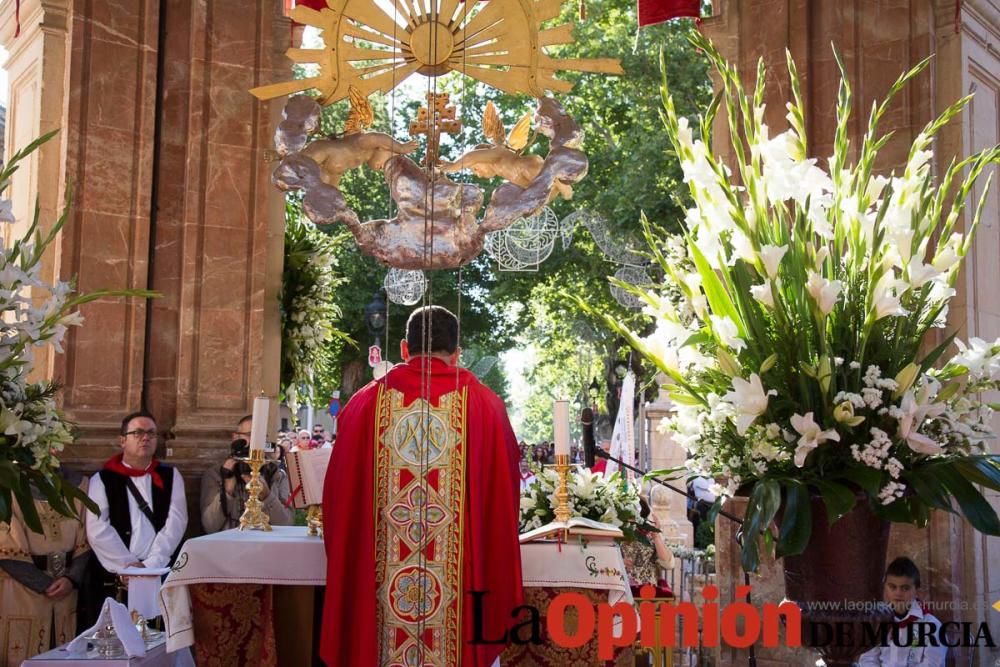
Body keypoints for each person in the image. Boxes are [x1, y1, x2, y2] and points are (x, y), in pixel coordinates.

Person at [321, 305, 523, 666]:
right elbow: (503, 502)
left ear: (403, 348)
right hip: (458, 607)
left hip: (380, 602)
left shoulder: (365, 404)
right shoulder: (485, 406)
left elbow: (336, 500)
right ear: (458, 353)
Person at [0, 469, 92, 665]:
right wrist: (43, 584)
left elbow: (88, 536)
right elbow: (6, 544)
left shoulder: (81, 485)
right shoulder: (6, 486)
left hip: (67, 588)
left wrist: (71, 578)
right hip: (21, 591)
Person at [86, 411, 187, 582]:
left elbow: (176, 522)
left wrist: (151, 565)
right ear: (122, 441)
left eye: (151, 433)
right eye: (138, 432)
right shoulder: (102, 479)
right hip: (117, 573)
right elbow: (97, 528)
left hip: (159, 569)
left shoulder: (171, 476)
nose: (145, 438)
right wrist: (127, 565)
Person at [200, 415, 294, 533]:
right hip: (230, 546)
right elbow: (209, 526)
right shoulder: (215, 474)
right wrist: (227, 491)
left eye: (261, 437)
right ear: (236, 438)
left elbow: (287, 523)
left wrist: (266, 496)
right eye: (251, 435)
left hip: (267, 545)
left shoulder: (277, 475)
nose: (256, 442)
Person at [857, 557, 947, 666]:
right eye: (892, 587)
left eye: (905, 588)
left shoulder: (933, 626)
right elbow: (868, 660)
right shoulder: (876, 623)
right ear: (885, 587)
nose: (898, 593)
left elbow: (933, 664)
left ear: (917, 590)